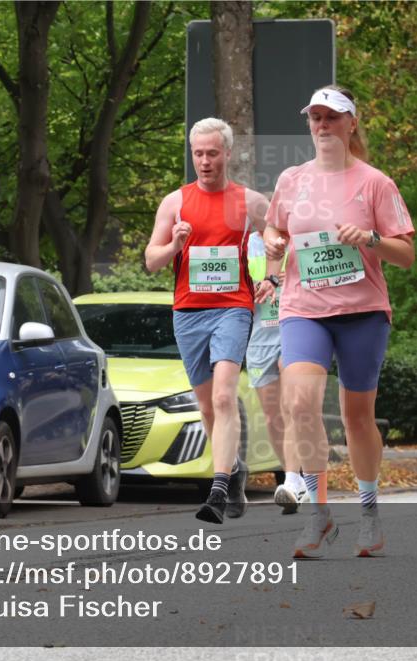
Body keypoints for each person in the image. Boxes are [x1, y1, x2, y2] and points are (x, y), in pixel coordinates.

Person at [263, 86, 415, 558]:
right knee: (301, 402)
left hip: (362, 312)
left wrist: (371, 237)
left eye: (332, 117)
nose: (323, 126)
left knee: (357, 416)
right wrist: (271, 242)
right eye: (316, 118)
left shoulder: (375, 183)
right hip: (303, 307)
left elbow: (406, 255)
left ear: (352, 123)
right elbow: (275, 226)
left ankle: (369, 514)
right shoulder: (291, 179)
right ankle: (319, 513)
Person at [145, 117, 271, 524]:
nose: (204, 161)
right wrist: (175, 244)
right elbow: (151, 261)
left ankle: (216, 490)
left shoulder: (249, 201)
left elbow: (280, 236)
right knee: (207, 406)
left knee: (223, 396)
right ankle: (234, 470)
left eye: (212, 153)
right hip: (188, 312)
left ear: (227, 154)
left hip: (234, 307)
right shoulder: (175, 202)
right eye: (198, 153)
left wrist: (269, 275)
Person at [244, 232, 308, 514]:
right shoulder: (245, 243)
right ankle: (291, 479)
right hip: (260, 335)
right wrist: (252, 287)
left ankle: (295, 479)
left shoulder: (299, 237)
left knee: (292, 405)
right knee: (272, 415)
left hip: (294, 327)